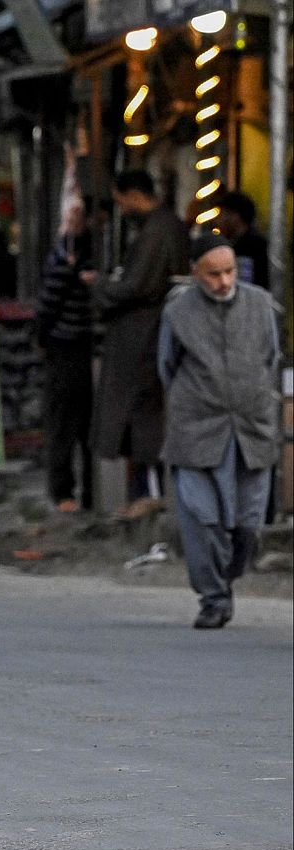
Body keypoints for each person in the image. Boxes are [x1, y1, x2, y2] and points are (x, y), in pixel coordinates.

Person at [159, 235, 282, 629]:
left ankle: (227, 578)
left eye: (229, 272)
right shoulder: (178, 311)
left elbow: (270, 357)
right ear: (196, 274)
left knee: (248, 525)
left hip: (252, 426)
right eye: (213, 275)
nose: (224, 282)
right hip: (196, 427)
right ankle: (213, 598)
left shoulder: (260, 305)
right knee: (202, 517)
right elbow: (167, 366)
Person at [86, 170, 188, 519]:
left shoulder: (158, 231)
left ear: (132, 195)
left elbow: (137, 287)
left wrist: (99, 285)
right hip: (144, 334)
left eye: (120, 201)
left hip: (145, 336)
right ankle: (142, 492)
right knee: (137, 412)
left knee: (142, 411)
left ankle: (150, 493)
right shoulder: (160, 228)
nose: (121, 208)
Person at [37, 195, 97, 513]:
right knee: (83, 424)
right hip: (82, 347)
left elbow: (49, 302)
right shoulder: (89, 252)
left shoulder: (68, 253)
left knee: (64, 423)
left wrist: (41, 335)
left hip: (66, 347)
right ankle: (81, 493)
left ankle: (65, 494)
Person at [216, 191, 270, 290]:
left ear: (235, 217)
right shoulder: (232, 244)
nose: (218, 221)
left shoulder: (253, 247)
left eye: (222, 214)